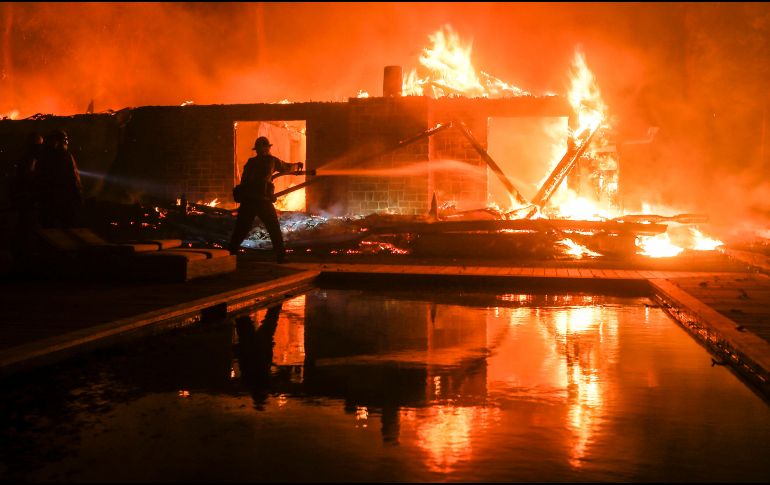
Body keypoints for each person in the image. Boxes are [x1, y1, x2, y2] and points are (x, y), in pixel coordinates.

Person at [228, 136, 303, 263]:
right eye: (267, 147)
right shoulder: (271, 161)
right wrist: (297, 165)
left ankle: (229, 255)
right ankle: (281, 257)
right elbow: (286, 167)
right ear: (266, 148)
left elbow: (246, 181)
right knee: (273, 228)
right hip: (262, 201)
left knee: (240, 230)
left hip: (248, 201)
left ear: (257, 150)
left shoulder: (250, 162)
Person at [34, 130, 83, 228]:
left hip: (50, 199)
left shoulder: (44, 156)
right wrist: (78, 195)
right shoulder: (65, 156)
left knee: (49, 227)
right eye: (65, 140)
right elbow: (74, 177)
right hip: (63, 199)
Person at [11, 132, 44, 255]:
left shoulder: (25, 156)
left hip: (24, 198)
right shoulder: (31, 158)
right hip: (27, 198)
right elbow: (28, 176)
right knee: (27, 225)